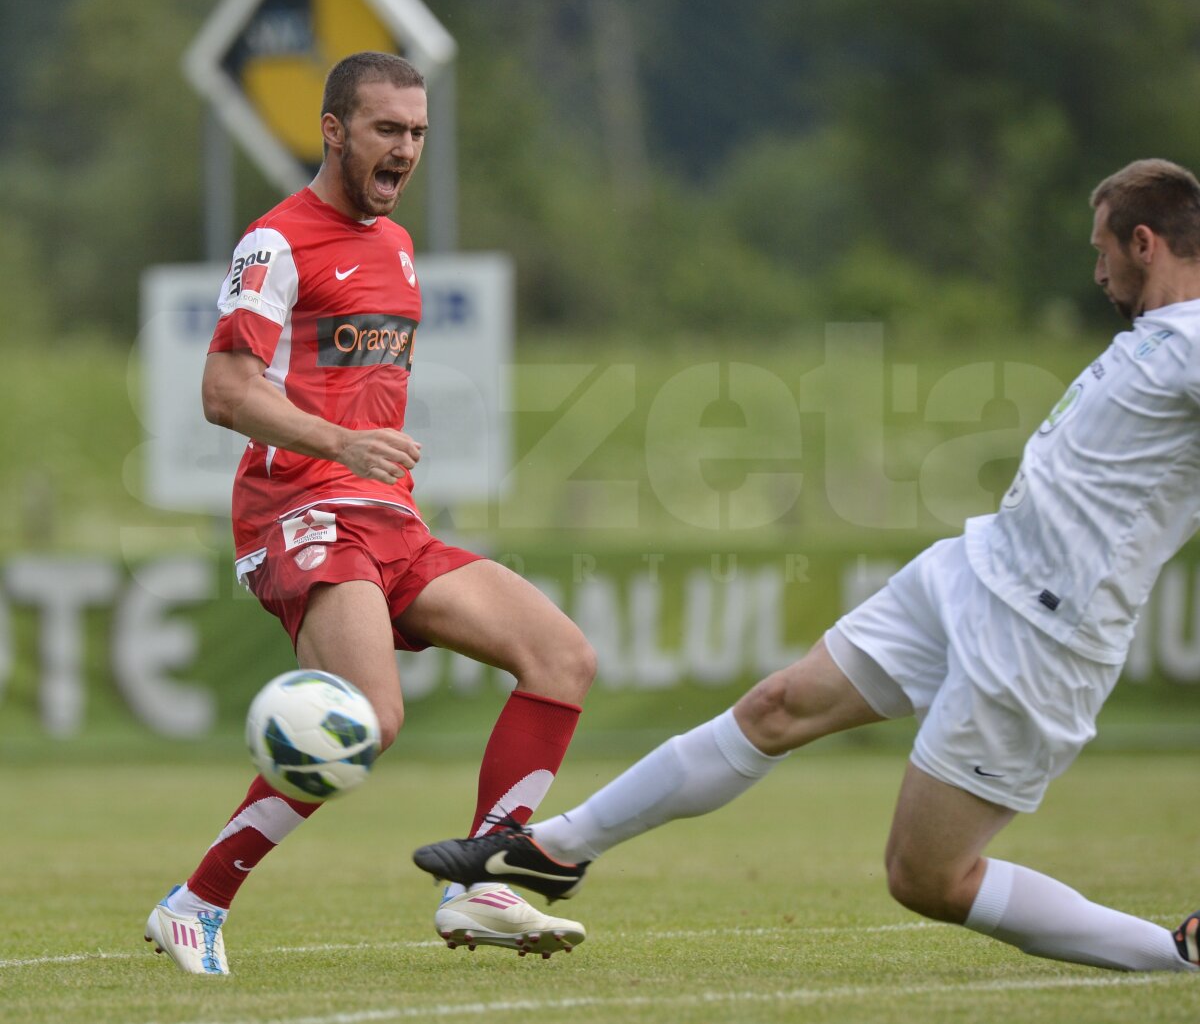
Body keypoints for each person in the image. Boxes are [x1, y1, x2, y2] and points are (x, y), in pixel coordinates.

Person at [415, 157, 1200, 973]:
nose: (1096, 269)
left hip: (1044, 630)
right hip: (973, 568)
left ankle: (1177, 960)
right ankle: (554, 849)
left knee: (927, 877)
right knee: (776, 708)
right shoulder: (1153, 338)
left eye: (1101, 249)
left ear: (1143, 243)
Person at [144, 52, 595, 976]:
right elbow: (224, 391)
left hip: (390, 518)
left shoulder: (396, 248)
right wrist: (337, 443)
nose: (407, 149)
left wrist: (366, 458)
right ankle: (196, 902)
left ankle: (482, 876)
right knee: (367, 717)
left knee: (561, 657)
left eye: (419, 133)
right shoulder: (274, 243)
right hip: (301, 508)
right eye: (388, 130)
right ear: (335, 130)